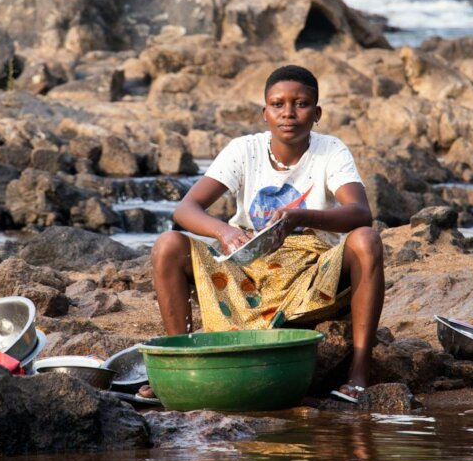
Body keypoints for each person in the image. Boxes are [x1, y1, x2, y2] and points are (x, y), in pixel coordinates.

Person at [146, 64, 385, 404]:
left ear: (317, 113)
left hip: (309, 274)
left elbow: (361, 213)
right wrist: (224, 231)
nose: (288, 113)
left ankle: (359, 375)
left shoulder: (330, 150)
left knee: (366, 240)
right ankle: (180, 364)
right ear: (264, 112)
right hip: (245, 270)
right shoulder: (245, 150)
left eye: (300, 104)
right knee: (168, 244)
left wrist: (299, 216)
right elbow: (185, 210)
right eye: (278, 104)